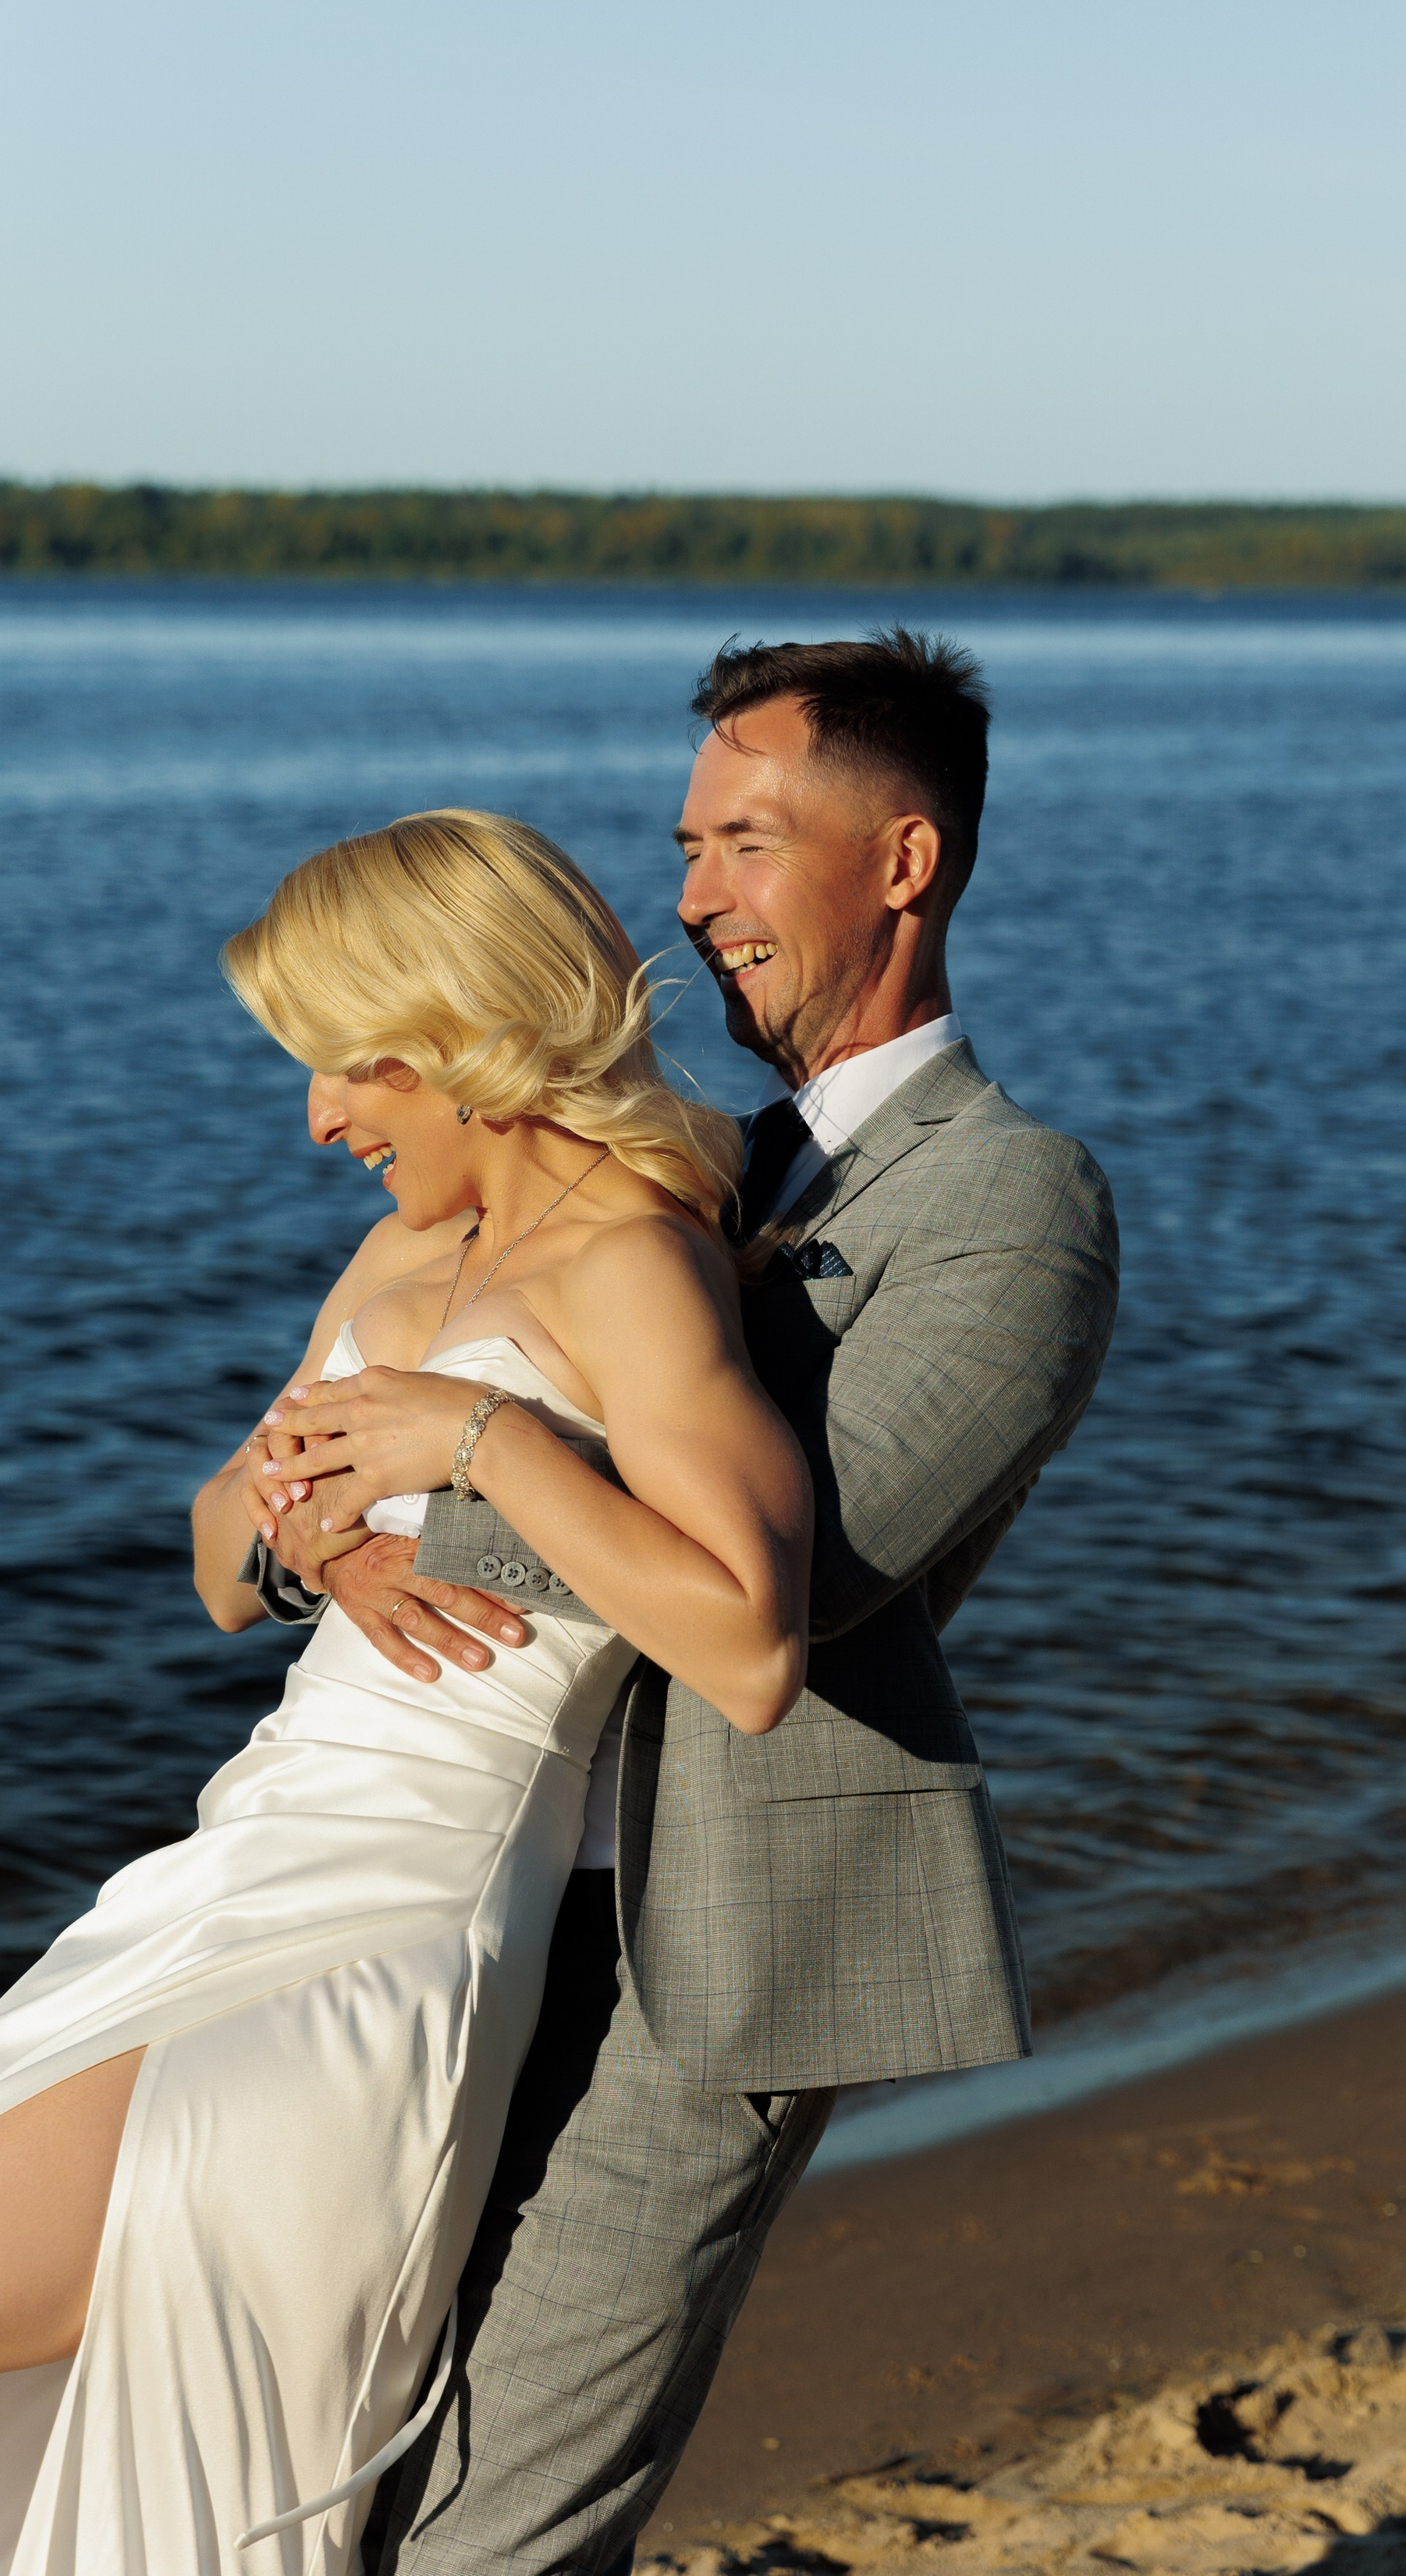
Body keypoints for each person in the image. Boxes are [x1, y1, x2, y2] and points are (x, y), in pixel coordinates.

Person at [269, 628, 1120, 2572]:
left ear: (900, 865)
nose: (688, 898)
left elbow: (799, 1577)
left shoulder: (1012, 1201)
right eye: (683, 847)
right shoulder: (684, 1167)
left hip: (707, 1940)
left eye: (742, 843)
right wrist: (317, 1517)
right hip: (460, 1891)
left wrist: (447, 1456)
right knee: (344, 2449)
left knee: (505, 2514)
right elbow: (319, 1450)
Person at [0, 810, 814, 2574]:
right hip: (235, 1863)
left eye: (343, 1067)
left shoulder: (632, 1264)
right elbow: (220, 1554)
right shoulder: (393, 1267)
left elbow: (750, 1641)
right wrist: (317, 1545)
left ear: (465, 1033)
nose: (318, 1121)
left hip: (393, 1920)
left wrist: (481, 1439)